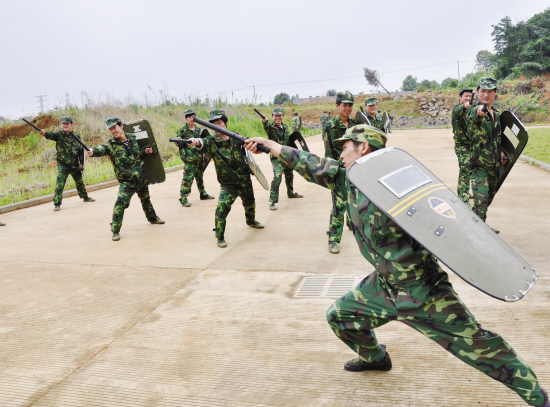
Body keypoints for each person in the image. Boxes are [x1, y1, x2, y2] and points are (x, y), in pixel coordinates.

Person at [244, 124, 549, 407]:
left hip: (423, 291)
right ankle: (375, 358)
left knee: (478, 347)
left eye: (345, 147)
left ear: (363, 147)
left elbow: (447, 223)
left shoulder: (402, 188)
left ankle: (538, 398)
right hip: (384, 284)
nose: (340, 152)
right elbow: (309, 162)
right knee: (340, 316)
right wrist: (270, 145)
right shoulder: (346, 179)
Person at [187, 109, 264, 248]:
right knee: (222, 208)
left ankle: (251, 221)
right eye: (213, 124)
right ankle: (220, 236)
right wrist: (195, 141)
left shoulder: (237, 138)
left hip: (244, 179)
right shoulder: (212, 142)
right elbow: (201, 142)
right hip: (228, 184)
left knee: (250, 203)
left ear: (225, 123)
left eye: (219, 122)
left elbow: (250, 148)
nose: (217, 126)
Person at [86, 116, 164, 241]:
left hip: (140, 177)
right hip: (127, 181)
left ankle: (152, 218)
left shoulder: (132, 138)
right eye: (110, 129)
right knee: (120, 202)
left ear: (121, 126)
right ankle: (115, 230)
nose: (113, 131)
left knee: (146, 199)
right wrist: (93, 151)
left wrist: (145, 152)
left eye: (114, 127)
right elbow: (102, 148)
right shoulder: (111, 144)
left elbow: (136, 154)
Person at [467, 77, 507, 231]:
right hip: (479, 168)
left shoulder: (496, 114)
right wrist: (479, 111)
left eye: (490, 91)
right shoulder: (473, 111)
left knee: (484, 204)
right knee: (481, 206)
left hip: (494, 168)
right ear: (477, 92)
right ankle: (479, 236)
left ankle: (473, 227)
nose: (486, 94)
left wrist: (501, 152)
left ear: (495, 93)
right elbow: (475, 114)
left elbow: (497, 138)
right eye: (483, 91)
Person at [322, 91, 357, 254]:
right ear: (337, 106)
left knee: (355, 201)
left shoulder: (355, 124)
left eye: (350, 105)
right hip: (339, 170)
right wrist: (332, 174)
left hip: (355, 170)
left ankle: (351, 223)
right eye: (344, 105)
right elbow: (328, 153)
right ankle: (333, 239)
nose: (348, 108)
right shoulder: (330, 126)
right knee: (338, 206)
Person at [39, 116, 95, 211]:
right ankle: (57, 203)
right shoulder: (59, 134)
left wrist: (81, 163)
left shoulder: (77, 137)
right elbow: (51, 135)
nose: (65, 125)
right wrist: (44, 133)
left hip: (74, 164)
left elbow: (80, 151)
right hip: (63, 165)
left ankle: (85, 197)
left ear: (72, 124)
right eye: (63, 124)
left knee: (80, 182)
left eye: (67, 124)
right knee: (59, 183)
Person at [261, 106, 303, 211]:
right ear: (272, 116)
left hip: (287, 155)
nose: (278, 118)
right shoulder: (271, 128)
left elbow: (289, 141)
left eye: (279, 115)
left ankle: (290, 192)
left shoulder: (285, 127)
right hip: (276, 157)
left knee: (289, 174)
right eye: (275, 116)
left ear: (283, 116)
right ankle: (272, 201)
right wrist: (264, 122)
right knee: (277, 176)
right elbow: (267, 127)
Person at [175, 108, 214, 207]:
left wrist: (204, 153)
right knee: (188, 179)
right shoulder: (182, 130)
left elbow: (202, 142)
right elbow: (178, 143)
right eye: (189, 117)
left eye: (193, 116)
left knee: (200, 177)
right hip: (189, 159)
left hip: (198, 157)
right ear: (186, 118)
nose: (192, 118)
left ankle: (203, 194)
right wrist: (178, 140)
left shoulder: (198, 129)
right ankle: (183, 198)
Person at [452, 87, 474, 203]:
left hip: (470, 145)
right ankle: (463, 198)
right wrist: (464, 106)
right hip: (461, 146)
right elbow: (458, 110)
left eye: (470, 96)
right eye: (466, 96)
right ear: (460, 97)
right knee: (465, 170)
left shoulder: (471, 110)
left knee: (468, 170)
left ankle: (463, 191)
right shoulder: (457, 108)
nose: (468, 98)